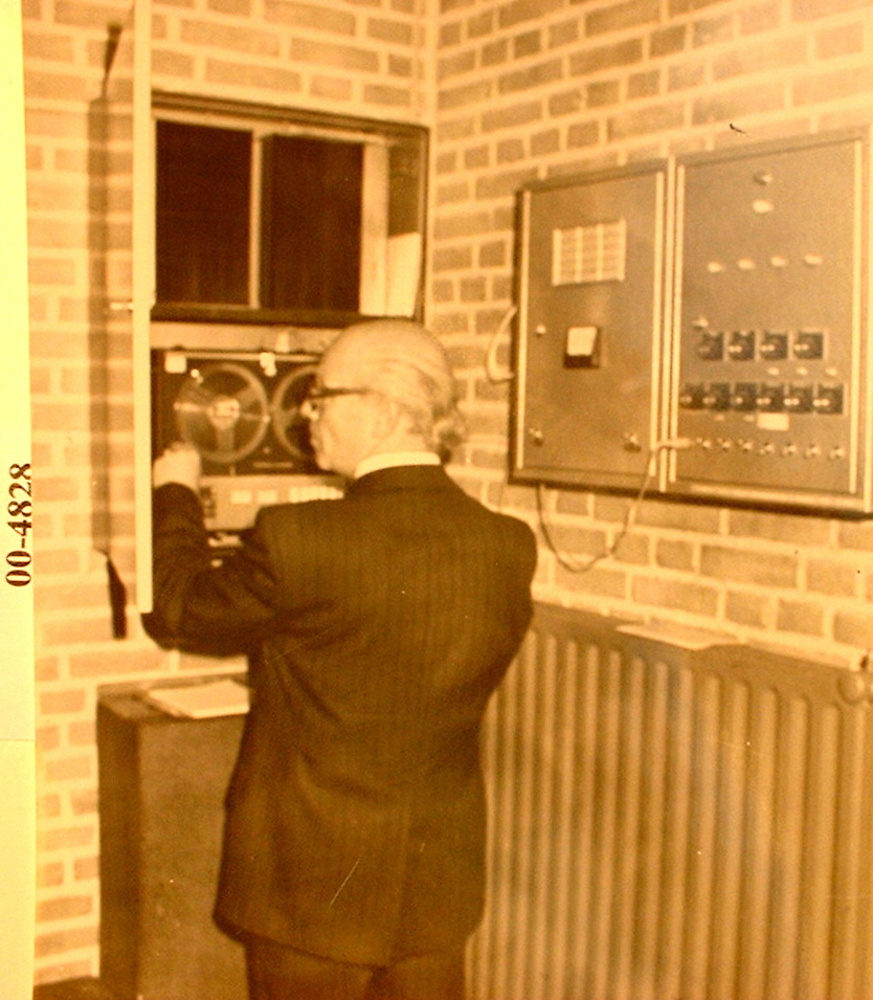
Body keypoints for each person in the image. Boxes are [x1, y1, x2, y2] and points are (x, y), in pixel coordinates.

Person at [143, 319, 537, 1000]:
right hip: (434, 886)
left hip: (310, 889)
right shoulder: (507, 543)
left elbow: (176, 607)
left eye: (321, 395)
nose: (306, 412)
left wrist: (175, 491)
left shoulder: (298, 537)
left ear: (382, 412)